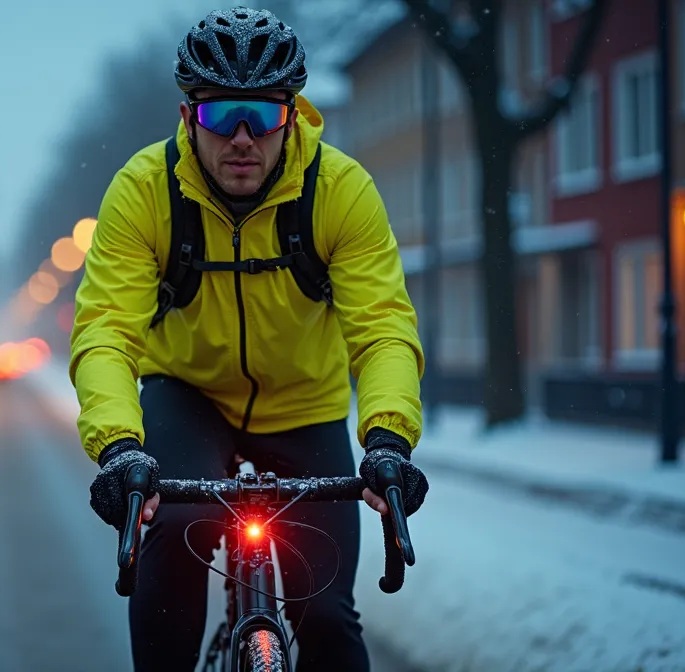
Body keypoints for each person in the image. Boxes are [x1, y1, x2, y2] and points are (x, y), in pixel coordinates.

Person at [71, 7, 430, 671]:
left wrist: (387, 438)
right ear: (188, 118)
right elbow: (106, 333)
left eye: (262, 115)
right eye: (221, 115)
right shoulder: (144, 191)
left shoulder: (340, 191)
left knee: (327, 616)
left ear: (291, 117)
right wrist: (119, 447)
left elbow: (383, 328)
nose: (242, 137)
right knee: (173, 538)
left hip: (306, 405)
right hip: (187, 396)